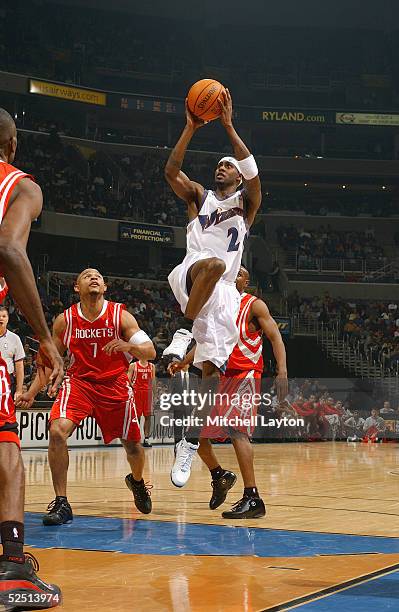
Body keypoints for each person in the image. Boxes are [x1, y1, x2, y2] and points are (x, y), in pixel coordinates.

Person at [163, 90, 262, 486]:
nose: (221, 168)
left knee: (211, 374)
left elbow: (255, 175)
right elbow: (171, 172)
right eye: (218, 165)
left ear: (238, 174)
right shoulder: (199, 196)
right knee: (217, 263)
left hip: (221, 299)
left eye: (228, 166)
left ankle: (188, 441)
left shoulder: (247, 202)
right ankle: (182, 331)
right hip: (192, 273)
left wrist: (227, 126)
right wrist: (189, 129)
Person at [19, 268, 156, 525]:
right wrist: (30, 392)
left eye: (99, 277)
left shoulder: (121, 316)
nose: (94, 278)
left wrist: (130, 347)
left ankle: (137, 483)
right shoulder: (65, 320)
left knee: (133, 446)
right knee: (58, 430)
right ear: (76, 287)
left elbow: (150, 352)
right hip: (79, 383)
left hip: (114, 384)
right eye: (87, 276)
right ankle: (62, 502)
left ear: (104, 288)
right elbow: (50, 362)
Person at [0, 107, 63, 608]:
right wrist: (44, 335)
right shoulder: (21, 185)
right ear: (13, 145)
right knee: (7, 450)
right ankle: (14, 568)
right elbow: (10, 249)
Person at [169, 266, 288, 518]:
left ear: (247, 281)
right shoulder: (216, 305)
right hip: (216, 377)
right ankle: (219, 475)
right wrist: (185, 361)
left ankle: (252, 497)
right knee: (194, 436)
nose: (235, 274)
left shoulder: (254, 305)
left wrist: (282, 372)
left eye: (241, 272)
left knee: (237, 431)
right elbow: (205, 342)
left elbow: (276, 337)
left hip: (243, 375)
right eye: (233, 270)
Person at [128, 359, 156, 447]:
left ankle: (146, 439)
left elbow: (153, 380)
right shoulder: (133, 365)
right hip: (137, 392)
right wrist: (133, 388)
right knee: (137, 417)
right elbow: (128, 379)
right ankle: (136, 438)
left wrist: (154, 394)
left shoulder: (152, 366)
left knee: (148, 417)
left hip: (148, 393)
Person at [0, 306, 25, 401]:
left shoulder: (14, 338)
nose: (1, 318)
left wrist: (19, 390)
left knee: (6, 413)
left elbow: (19, 366)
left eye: (4, 316)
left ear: (8, 319)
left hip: (7, 380)